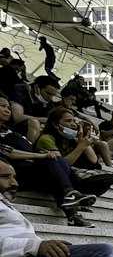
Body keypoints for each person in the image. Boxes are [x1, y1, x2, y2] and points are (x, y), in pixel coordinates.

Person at [0, 94, 96, 222]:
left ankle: (71, 206)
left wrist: (81, 139)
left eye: (8, 107)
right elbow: (8, 152)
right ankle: (70, 201)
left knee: (53, 162)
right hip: (8, 173)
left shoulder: (8, 131)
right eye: (2, 106)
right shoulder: (13, 136)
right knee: (52, 160)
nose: (7, 110)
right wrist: (40, 155)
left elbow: (94, 160)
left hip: (21, 171)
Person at [8, 75, 62, 143]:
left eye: (53, 95)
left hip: (33, 129)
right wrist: (42, 120)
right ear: (36, 88)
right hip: (11, 126)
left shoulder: (48, 102)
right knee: (34, 122)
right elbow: (18, 117)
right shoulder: (20, 91)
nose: (50, 98)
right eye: (48, 93)